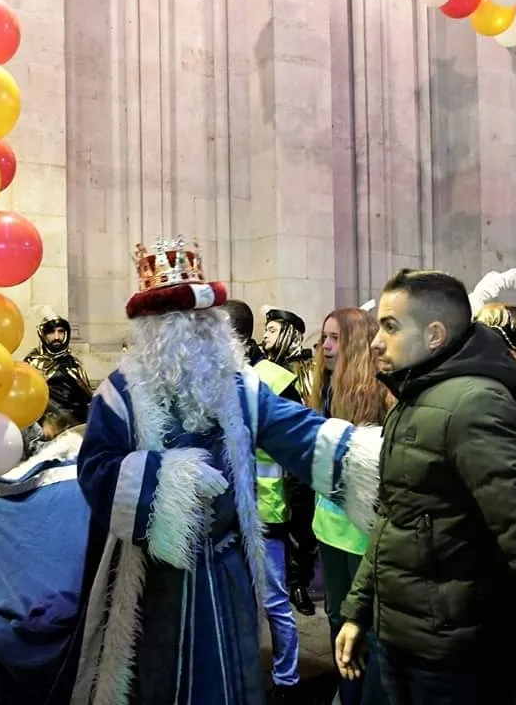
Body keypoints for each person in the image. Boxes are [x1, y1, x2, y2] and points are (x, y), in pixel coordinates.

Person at [69, 237, 385, 705]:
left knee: (230, 678)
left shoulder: (239, 386)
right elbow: (95, 470)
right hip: (155, 579)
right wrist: (169, 481)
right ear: (154, 328)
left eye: (202, 318)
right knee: (158, 680)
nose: (193, 331)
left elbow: (297, 432)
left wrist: (372, 457)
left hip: (227, 568)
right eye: (178, 320)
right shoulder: (121, 394)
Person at [335, 269, 516, 705]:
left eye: (390, 327)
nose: (376, 341)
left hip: (455, 657)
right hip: (402, 640)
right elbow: (395, 519)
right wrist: (358, 611)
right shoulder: (413, 400)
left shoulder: (474, 407)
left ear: (434, 335)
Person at [307, 307, 392, 705]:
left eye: (334, 338)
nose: (324, 346)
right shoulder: (324, 388)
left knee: (366, 625)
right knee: (338, 618)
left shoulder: (380, 391)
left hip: (364, 530)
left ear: (355, 343)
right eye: (323, 337)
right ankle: (347, 692)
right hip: (329, 525)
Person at [224, 299, 302, 702]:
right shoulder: (244, 374)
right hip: (236, 508)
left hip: (266, 509)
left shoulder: (270, 380)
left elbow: (296, 447)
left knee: (273, 601)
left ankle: (287, 680)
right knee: (246, 599)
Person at [260, 305, 319, 614]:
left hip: (300, 459)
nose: (265, 336)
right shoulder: (262, 367)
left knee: (301, 524)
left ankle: (299, 583)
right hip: (271, 466)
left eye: (272, 330)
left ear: (289, 333)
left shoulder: (305, 368)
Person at [25, 307, 94, 400]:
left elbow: (87, 399)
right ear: (43, 335)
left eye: (60, 332)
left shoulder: (72, 364)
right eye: (51, 332)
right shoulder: (31, 362)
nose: (56, 337)